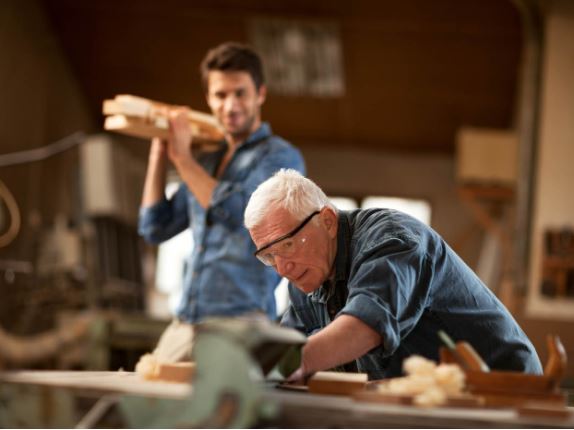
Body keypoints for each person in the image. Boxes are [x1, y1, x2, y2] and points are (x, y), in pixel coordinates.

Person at [244, 169, 542, 380]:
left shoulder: (393, 240)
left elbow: (363, 328)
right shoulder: (307, 277)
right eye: (269, 256)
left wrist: (280, 364)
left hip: (505, 390)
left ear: (328, 221)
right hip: (435, 402)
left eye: (288, 244)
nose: (283, 269)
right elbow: (289, 343)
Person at [138, 43, 305, 361]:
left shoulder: (281, 156)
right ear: (208, 99)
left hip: (242, 322)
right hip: (187, 320)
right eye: (220, 95)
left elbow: (243, 213)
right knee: (150, 396)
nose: (230, 106)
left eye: (240, 93)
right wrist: (160, 154)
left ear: (261, 95)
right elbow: (154, 228)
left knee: (223, 410)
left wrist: (183, 160)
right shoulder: (206, 162)